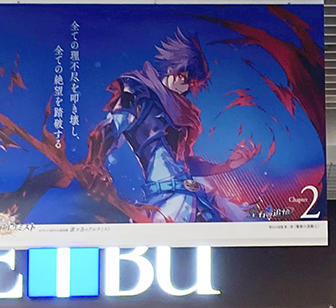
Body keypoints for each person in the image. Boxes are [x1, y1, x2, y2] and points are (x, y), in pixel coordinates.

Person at [82, 30, 259, 222]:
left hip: (196, 195)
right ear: (173, 69)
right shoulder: (138, 91)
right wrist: (95, 165)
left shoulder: (182, 113)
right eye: (186, 79)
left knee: (246, 221)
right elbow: (109, 128)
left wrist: (226, 166)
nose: (186, 88)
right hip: (167, 199)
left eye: (192, 85)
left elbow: (187, 162)